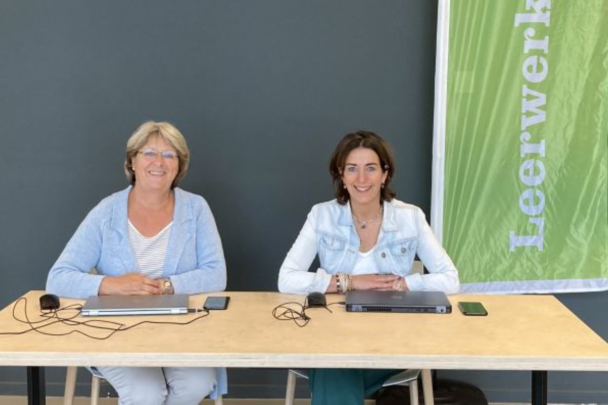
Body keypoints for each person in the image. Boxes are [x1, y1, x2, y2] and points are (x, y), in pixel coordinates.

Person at [47, 121, 227, 404]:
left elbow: (216, 274)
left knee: (198, 382)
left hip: (181, 330)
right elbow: (58, 278)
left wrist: (166, 286)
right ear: (132, 161)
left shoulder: (196, 208)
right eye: (149, 153)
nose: (159, 162)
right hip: (116, 331)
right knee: (146, 393)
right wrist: (112, 285)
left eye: (169, 155)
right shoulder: (106, 212)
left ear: (179, 166)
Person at [278, 130, 459, 405]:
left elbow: (451, 279)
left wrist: (401, 284)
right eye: (352, 169)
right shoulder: (322, 215)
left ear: (385, 174)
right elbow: (286, 279)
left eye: (371, 168)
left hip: (394, 339)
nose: (361, 179)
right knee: (335, 362)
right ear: (341, 174)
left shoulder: (410, 217)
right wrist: (349, 282)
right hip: (333, 334)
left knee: (331, 368)